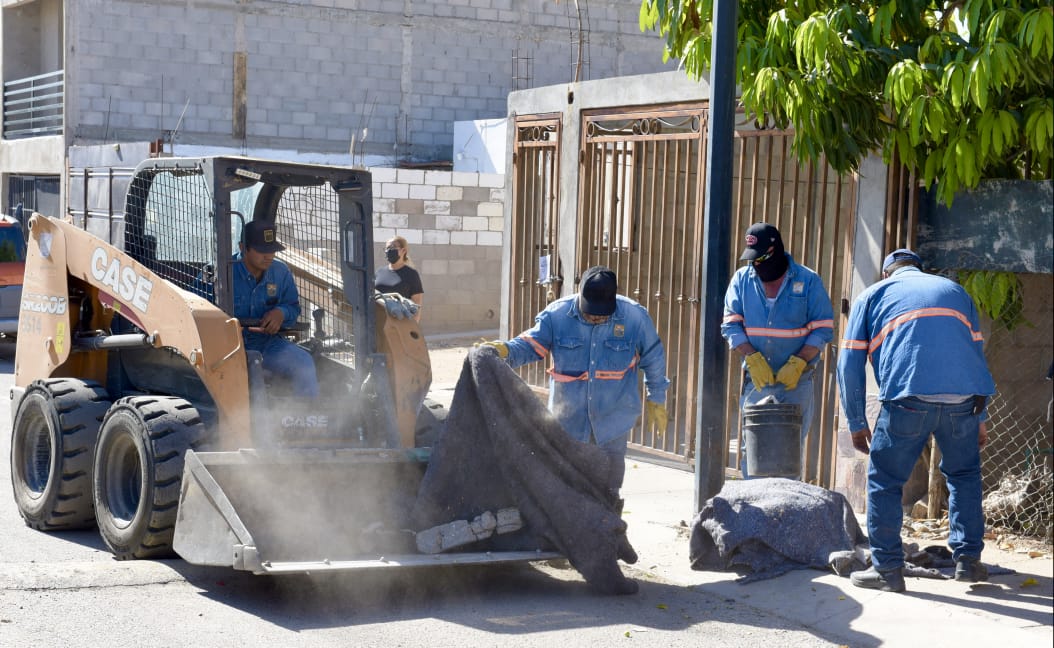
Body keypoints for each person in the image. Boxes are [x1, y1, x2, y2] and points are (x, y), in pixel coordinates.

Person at [837, 249, 995, 593]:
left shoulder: (873, 295)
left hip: (907, 400)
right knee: (965, 476)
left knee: (885, 480)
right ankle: (968, 562)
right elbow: (975, 354)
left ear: (887, 274)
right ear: (921, 270)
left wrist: (856, 421)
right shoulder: (956, 292)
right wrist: (980, 416)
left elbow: (849, 364)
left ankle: (887, 570)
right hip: (964, 401)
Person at [479, 266, 670, 505]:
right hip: (568, 422)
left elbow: (654, 359)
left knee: (608, 489)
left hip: (613, 420)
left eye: (602, 314)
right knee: (566, 487)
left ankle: (606, 535)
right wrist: (505, 350)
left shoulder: (635, 317)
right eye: (591, 313)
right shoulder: (556, 316)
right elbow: (530, 346)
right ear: (580, 296)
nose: (596, 318)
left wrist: (657, 398)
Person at [721, 222, 834, 479]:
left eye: (761, 258)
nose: (756, 265)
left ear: (777, 250)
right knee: (752, 453)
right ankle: (754, 512)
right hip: (757, 381)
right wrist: (752, 356)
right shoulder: (741, 279)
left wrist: (798, 362)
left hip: (797, 382)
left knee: (789, 455)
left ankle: (785, 514)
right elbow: (730, 325)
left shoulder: (807, 280)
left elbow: (823, 328)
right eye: (752, 260)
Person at [234, 220, 319, 399]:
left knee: (303, 363)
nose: (269, 256)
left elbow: (293, 307)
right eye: (262, 250)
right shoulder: (220, 271)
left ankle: (307, 421)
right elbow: (195, 309)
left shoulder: (281, 272)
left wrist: (281, 313)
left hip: (267, 344)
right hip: (227, 349)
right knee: (252, 369)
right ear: (243, 247)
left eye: (272, 250)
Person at [375, 235, 424, 322]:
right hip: (378, 323)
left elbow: (417, 307)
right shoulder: (379, 272)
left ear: (403, 250)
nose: (389, 250)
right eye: (387, 248)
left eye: (393, 247)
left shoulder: (411, 274)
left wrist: (411, 329)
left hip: (399, 325)